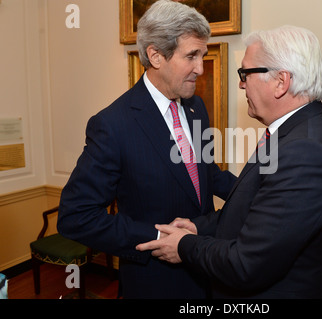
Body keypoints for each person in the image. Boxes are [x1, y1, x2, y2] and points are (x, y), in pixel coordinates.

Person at [137, 25, 322, 299]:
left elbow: (247, 264)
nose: (241, 83)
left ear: (281, 81)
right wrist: (198, 227)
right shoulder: (295, 133)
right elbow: (253, 211)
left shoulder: (304, 151)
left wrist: (185, 246)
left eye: (246, 73)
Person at [57, 0, 236, 299]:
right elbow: (76, 216)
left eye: (202, 55)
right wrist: (158, 239)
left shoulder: (196, 108)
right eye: (191, 55)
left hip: (207, 270)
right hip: (156, 282)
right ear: (155, 56)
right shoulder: (113, 124)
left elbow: (206, 173)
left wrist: (257, 190)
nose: (200, 69)